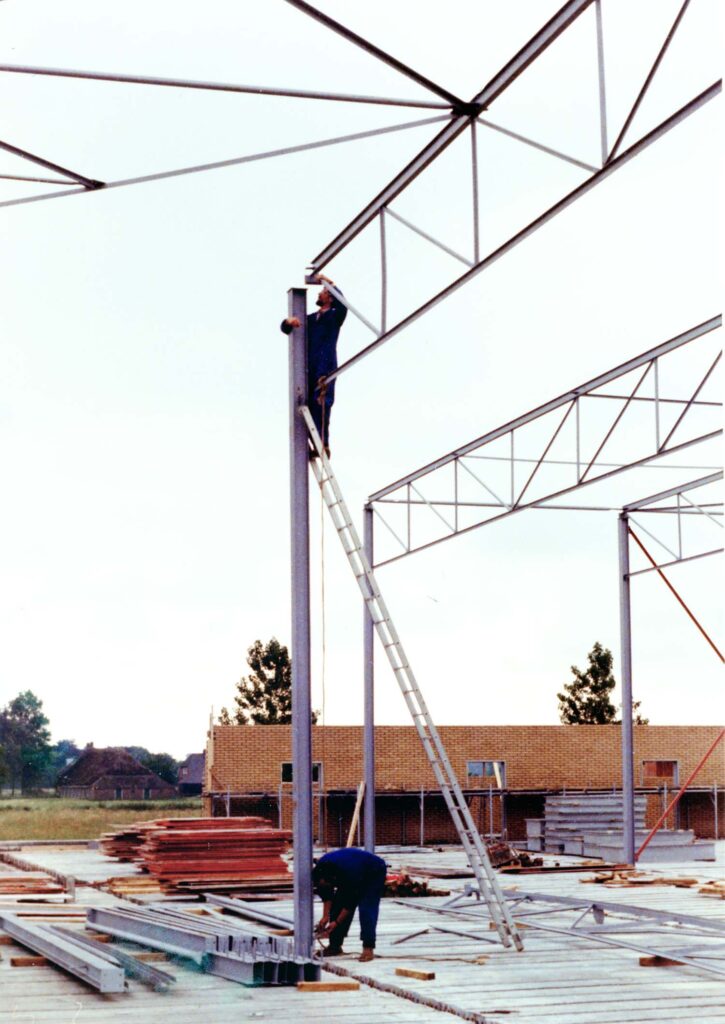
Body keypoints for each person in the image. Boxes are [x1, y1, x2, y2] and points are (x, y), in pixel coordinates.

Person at [281, 274, 348, 455]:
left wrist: (330, 282)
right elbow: (286, 328)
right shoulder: (310, 319)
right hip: (308, 368)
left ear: (330, 298)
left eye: (324, 292)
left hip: (324, 366)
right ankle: (314, 443)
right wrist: (288, 322)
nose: (320, 293)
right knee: (308, 405)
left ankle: (323, 444)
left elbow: (343, 304)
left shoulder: (334, 317)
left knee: (321, 403)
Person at [312, 846, 387, 962]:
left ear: (333, 878)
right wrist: (325, 917)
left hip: (373, 871)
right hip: (349, 868)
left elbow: (349, 904)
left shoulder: (349, 875)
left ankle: (368, 947)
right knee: (337, 905)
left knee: (366, 908)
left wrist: (336, 922)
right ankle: (335, 946)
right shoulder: (320, 872)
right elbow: (327, 895)